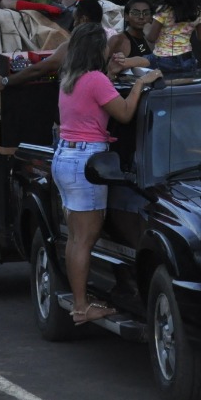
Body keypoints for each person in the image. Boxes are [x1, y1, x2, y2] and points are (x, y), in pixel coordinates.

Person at [54, 24, 161, 323]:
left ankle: (79, 301)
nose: (108, 49)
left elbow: (92, 99)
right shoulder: (96, 80)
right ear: (95, 49)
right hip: (86, 161)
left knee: (76, 236)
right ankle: (81, 307)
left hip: (66, 156)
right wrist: (143, 83)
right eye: (104, 45)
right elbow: (125, 113)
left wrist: (110, 75)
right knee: (85, 239)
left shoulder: (71, 79)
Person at [0, 0, 106, 95]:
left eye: (75, 20)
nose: (73, 25)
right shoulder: (106, 46)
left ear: (84, 20)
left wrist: (5, 80)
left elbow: (38, 69)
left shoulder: (71, 47)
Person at [143, 0, 201, 75]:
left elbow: (152, 38)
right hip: (187, 59)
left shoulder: (163, 10)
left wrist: (146, 28)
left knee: (137, 62)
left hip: (162, 60)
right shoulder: (198, 10)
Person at [108, 0, 153, 64]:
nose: (141, 17)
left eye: (146, 13)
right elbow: (105, 69)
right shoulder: (118, 40)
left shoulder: (155, 39)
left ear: (151, 17)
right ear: (126, 16)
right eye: (135, 13)